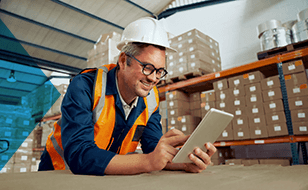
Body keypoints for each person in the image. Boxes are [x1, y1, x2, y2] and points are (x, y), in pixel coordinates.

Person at [38, 17, 217, 175]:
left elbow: (152, 148)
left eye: (160, 71)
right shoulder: (85, 87)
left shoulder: (151, 98)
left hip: (101, 178)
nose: (154, 78)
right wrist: (147, 161)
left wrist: (181, 162)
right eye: (147, 68)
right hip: (58, 174)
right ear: (123, 60)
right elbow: (80, 155)